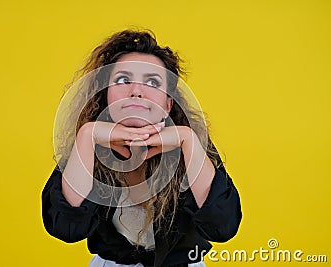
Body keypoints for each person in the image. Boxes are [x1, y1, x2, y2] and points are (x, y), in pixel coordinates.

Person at [42, 29, 242, 267]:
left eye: (152, 82)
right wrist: (88, 135)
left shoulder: (191, 144)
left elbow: (222, 227)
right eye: (123, 80)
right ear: (105, 96)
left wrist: (187, 139)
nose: (136, 91)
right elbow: (67, 227)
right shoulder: (87, 146)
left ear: (169, 104)